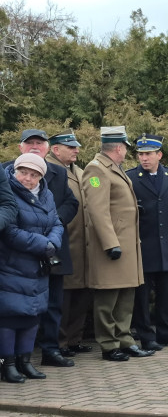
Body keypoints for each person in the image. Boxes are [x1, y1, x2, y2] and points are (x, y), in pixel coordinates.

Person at [3, 129, 79, 368]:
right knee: (11, 311)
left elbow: (71, 202)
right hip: (16, 254)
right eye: (30, 142)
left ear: (48, 148)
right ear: (20, 147)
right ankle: (12, 360)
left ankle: (50, 349)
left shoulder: (57, 172)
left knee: (52, 303)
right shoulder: (5, 172)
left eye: (40, 143)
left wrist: (53, 229)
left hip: (50, 249)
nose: (35, 146)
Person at [81, 126, 152, 361]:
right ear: (119, 148)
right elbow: (97, 211)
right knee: (108, 297)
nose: (126, 153)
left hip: (126, 244)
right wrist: (111, 244)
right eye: (125, 149)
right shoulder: (96, 169)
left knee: (125, 295)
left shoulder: (114, 169)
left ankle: (124, 339)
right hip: (111, 246)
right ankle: (109, 344)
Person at [0, 153, 63, 382]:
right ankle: (7, 364)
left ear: (41, 177)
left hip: (38, 265)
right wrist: (43, 244)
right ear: (15, 171)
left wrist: (54, 243)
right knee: (9, 315)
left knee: (32, 314)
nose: (27, 178)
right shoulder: (7, 193)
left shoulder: (47, 195)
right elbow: (10, 231)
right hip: (12, 265)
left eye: (34, 174)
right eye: (23, 172)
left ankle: (25, 362)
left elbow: (56, 223)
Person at [128, 134, 168, 350]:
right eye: (140, 154)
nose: (144, 158)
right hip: (144, 245)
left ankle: (165, 332)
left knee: (166, 293)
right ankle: (146, 335)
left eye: (148, 154)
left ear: (159, 155)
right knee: (142, 296)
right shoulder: (131, 178)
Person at [47, 130, 93, 356]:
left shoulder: (82, 172)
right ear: (55, 149)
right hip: (64, 243)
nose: (76, 150)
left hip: (84, 245)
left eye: (76, 146)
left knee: (81, 295)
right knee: (63, 298)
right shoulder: (48, 170)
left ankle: (74, 339)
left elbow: (93, 190)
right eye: (70, 147)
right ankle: (60, 342)